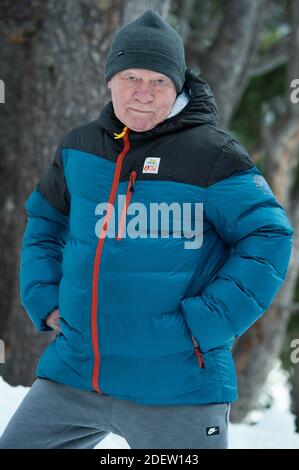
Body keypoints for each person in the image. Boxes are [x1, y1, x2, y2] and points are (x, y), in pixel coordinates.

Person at [0, 9, 293, 450]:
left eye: (158, 80)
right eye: (130, 77)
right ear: (110, 81)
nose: (143, 93)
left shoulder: (213, 154)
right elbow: (46, 221)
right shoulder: (79, 149)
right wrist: (44, 299)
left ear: (177, 86)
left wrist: (207, 322)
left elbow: (270, 237)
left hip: (177, 387)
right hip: (77, 373)